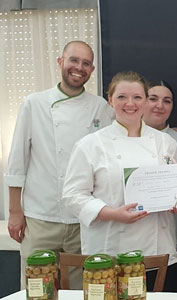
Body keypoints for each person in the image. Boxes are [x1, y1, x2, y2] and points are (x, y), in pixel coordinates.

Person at [62, 71, 177, 276]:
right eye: (121, 97)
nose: (130, 103)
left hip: (158, 253)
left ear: (145, 101)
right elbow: (72, 196)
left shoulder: (166, 143)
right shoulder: (91, 144)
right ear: (110, 100)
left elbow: (173, 189)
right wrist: (113, 214)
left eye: (137, 97)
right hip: (110, 253)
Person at [5, 41, 114, 289]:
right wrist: (14, 212)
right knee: (37, 289)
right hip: (41, 215)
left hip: (82, 219)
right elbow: (17, 161)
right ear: (60, 62)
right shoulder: (34, 103)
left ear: (92, 69)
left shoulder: (101, 108)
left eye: (86, 63)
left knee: (80, 289)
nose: (79, 68)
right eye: (74, 60)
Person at [142, 80, 177, 291]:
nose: (160, 105)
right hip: (132, 230)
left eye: (166, 101)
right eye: (153, 99)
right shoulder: (115, 139)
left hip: (171, 231)